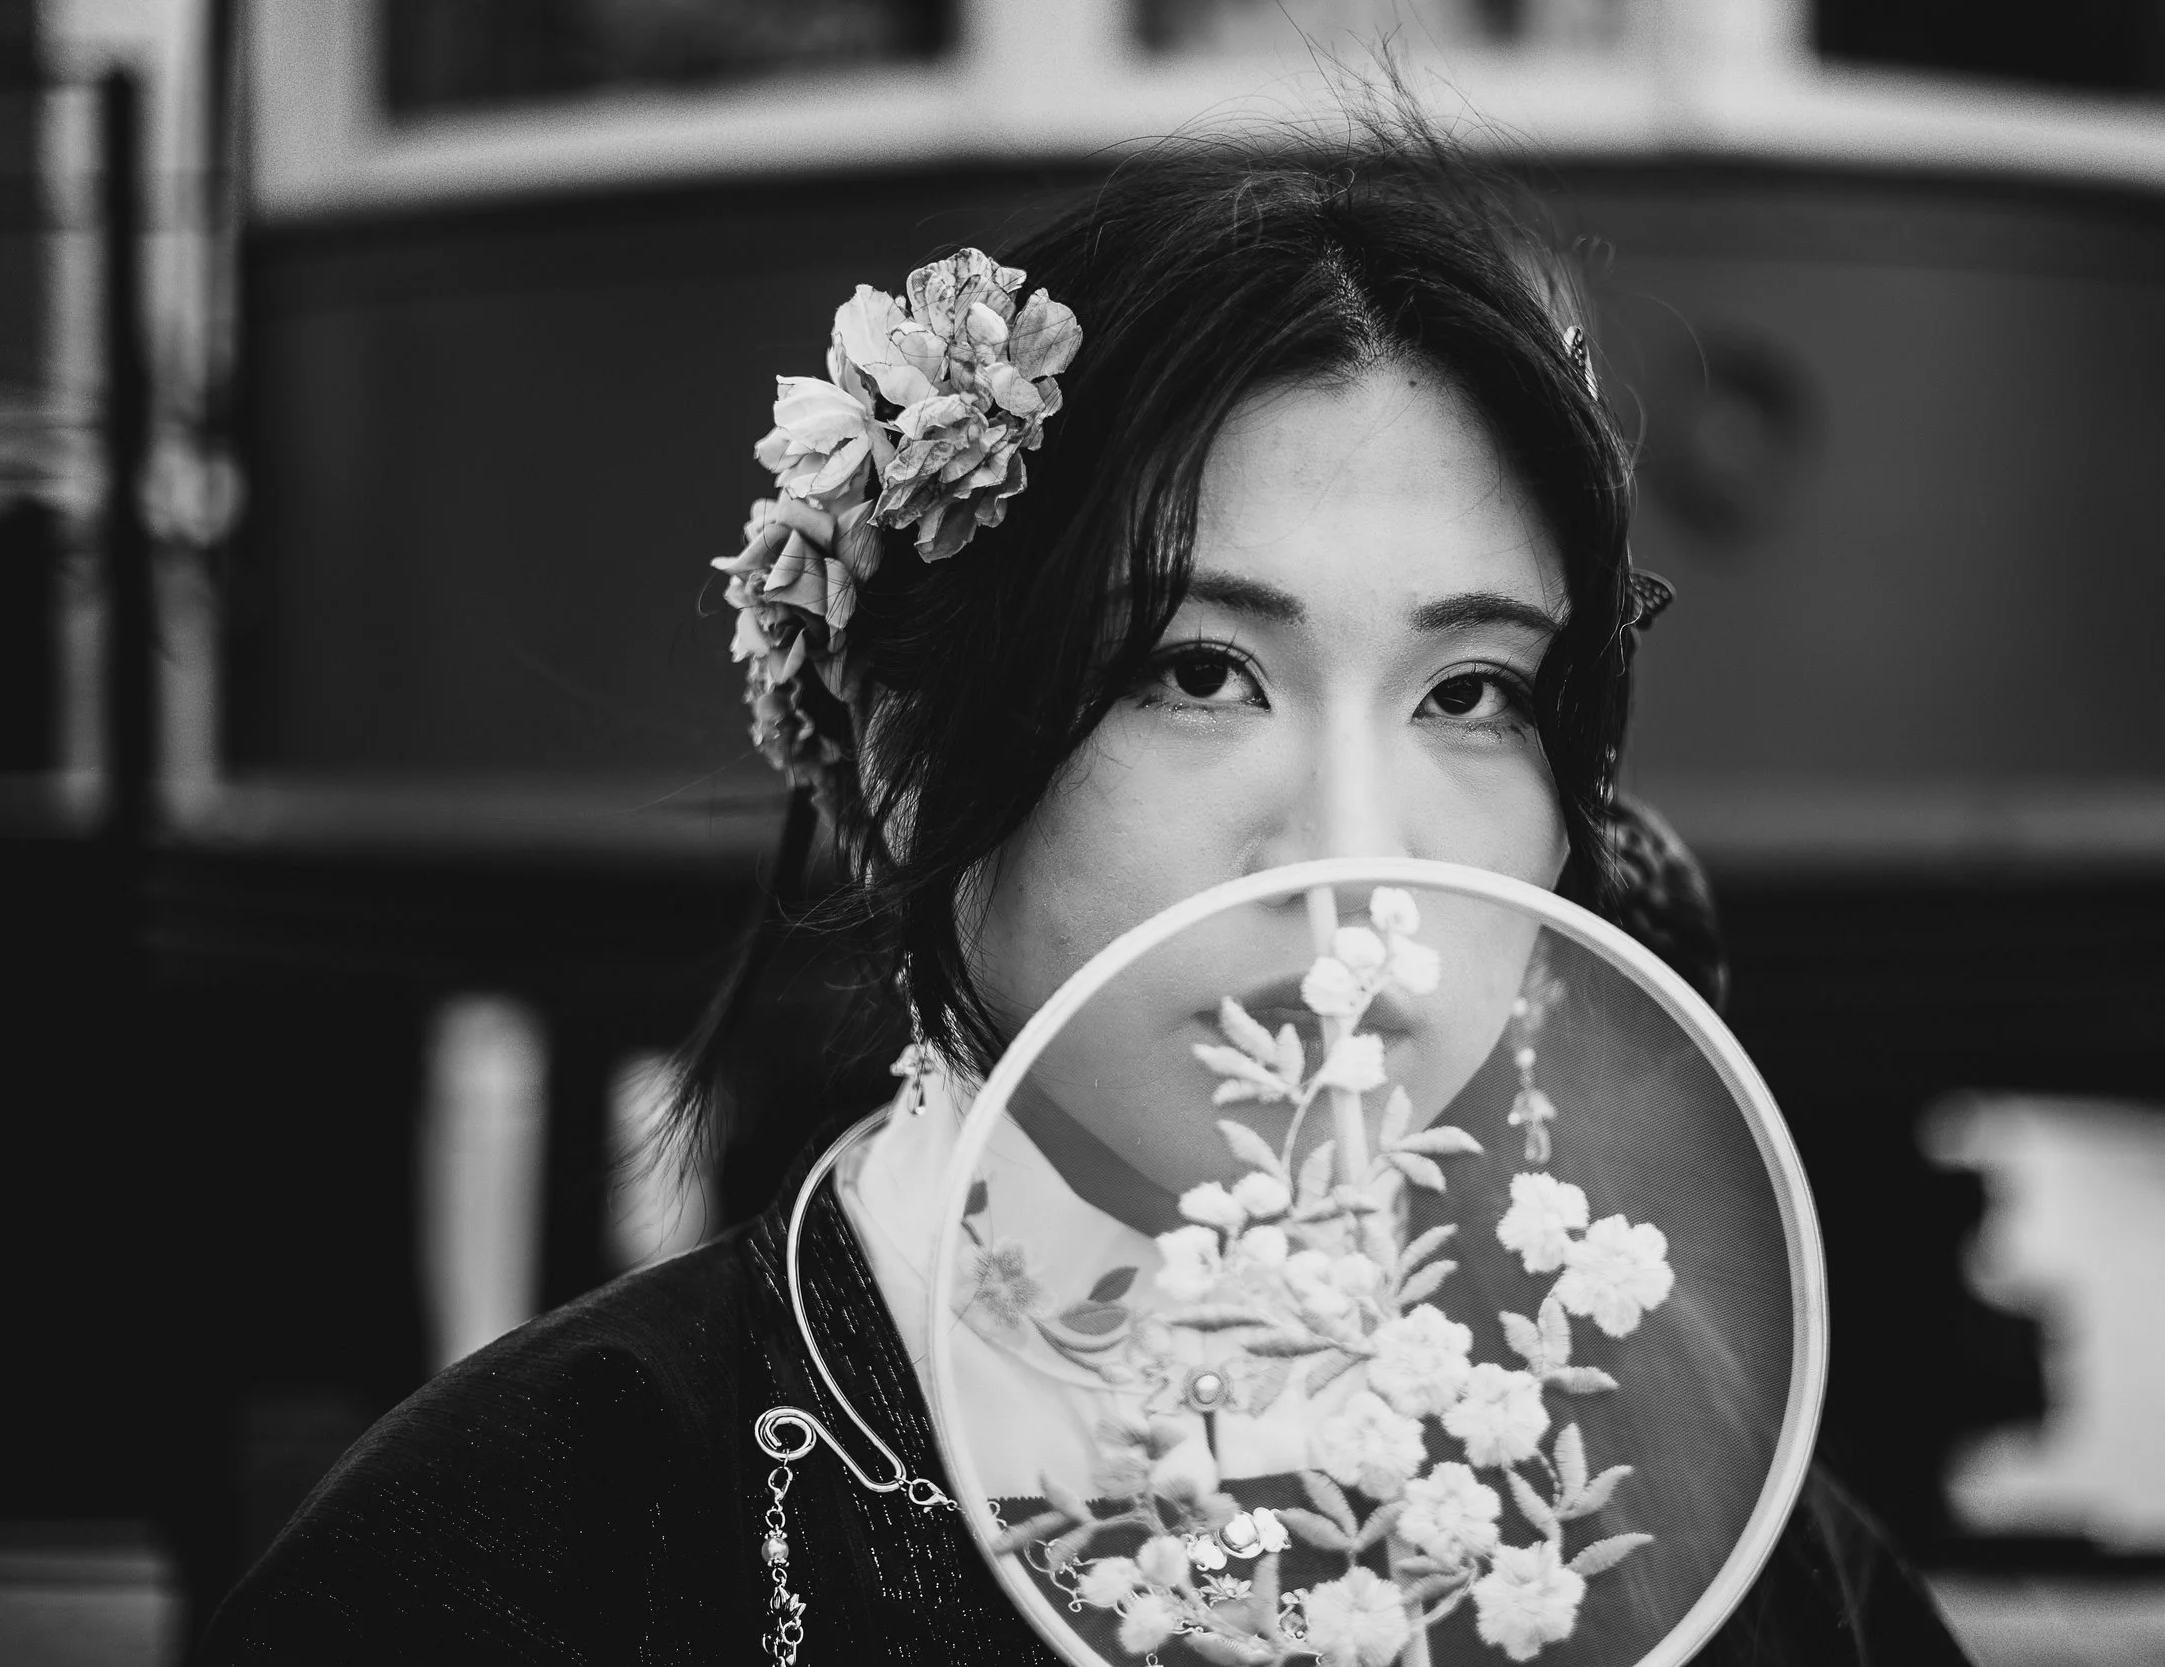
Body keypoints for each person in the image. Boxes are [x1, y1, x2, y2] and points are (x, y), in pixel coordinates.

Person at [199, 113, 1971, 1666]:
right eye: (1197, 672)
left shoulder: (1743, 1552)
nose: (1354, 860)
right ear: (897, 751)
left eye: (1472, 692)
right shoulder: (522, 1556)